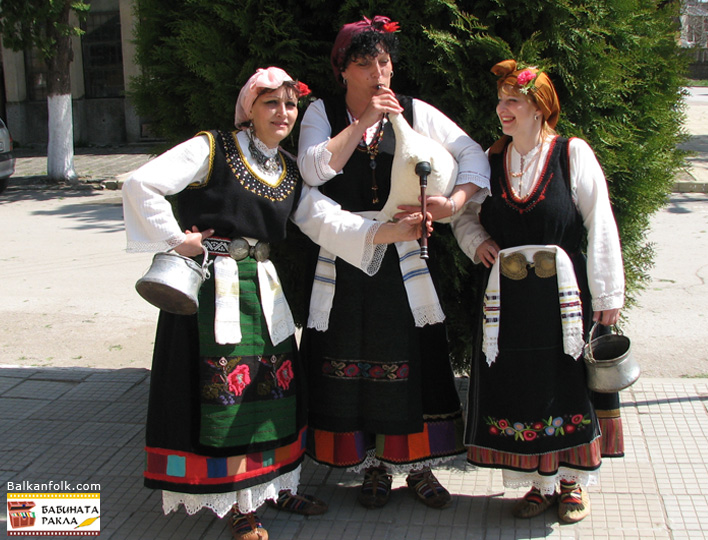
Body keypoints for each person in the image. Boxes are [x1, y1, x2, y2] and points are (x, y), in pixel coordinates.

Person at [294, 15, 491, 510]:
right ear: (343, 71)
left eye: (384, 61)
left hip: (405, 258)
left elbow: (472, 153)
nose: (379, 73)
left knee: (411, 355)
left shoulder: (415, 111)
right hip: (344, 259)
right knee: (351, 358)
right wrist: (362, 122)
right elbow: (313, 168)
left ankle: (417, 466)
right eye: (365, 64)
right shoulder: (322, 112)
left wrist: (452, 203)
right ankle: (372, 467)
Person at [122, 67, 327, 540]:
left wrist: (386, 232)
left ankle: (274, 486)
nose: (283, 113)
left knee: (273, 387)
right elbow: (140, 184)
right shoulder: (211, 147)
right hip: (215, 289)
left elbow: (324, 221)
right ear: (249, 108)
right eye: (270, 103)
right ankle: (239, 503)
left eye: (290, 104)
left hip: (263, 289)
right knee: (227, 393)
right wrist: (177, 239)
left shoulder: (288, 167)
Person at [452, 59, 625, 523]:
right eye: (501, 100)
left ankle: (570, 483)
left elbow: (600, 221)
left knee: (564, 383)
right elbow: (462, 214)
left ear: (539, 109)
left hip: (561, 299)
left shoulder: (571, 153)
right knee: (520, 383)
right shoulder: (489, 161)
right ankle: (537, 481)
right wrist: (478, 242)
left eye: (514, 101)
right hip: (506, 301)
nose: (502, 109)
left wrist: (608, 296)